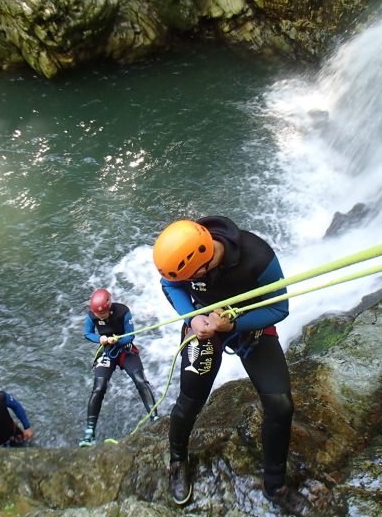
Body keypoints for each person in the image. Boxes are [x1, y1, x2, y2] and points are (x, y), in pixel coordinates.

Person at [152, 216, 308, 514]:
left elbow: (279, 308)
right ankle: (177, 460)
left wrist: (233, 323)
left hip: (249, 328)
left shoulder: (258, 258)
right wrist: (193, 318)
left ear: (204, 260)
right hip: (206, 327)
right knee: (189, 402)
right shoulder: (187, 256)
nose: (183, 280)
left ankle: (275, 484)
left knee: (281, 405)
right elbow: (169, 285)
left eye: (188, 276)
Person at [78, 288, 159, 446]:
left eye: (103, 314)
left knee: (140, 381)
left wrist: (118, 341)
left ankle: (155, 417)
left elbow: (130, 335)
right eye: (97, 315)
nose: (100, 317)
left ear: (109, 307)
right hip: (107, 352)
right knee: (99, 387)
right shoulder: (91, 315)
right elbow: (87, 333)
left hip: (125, 350)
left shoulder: (123, 311)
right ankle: (89, 432)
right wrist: (100, 338)